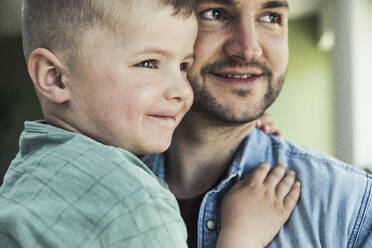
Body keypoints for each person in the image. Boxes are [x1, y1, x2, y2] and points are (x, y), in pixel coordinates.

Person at [0, 0, 300, 247]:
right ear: (53, 76)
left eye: (184, 66)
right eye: (148, 63)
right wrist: (241, 238)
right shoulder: (136, 201)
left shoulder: (27, 175)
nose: (182, 91)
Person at [141, 0, 372, 247]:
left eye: (271, 17)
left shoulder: (353, 206)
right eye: (215, 14)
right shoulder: (102, 179)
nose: (249, 49)